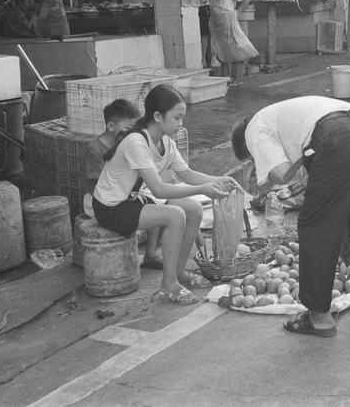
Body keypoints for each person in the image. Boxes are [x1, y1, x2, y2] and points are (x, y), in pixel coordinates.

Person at [232, 97, 350, 337]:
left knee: (316, 225)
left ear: (246, 148)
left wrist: (263, 180)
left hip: (341, 140)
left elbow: (280, 173)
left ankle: (319, 316)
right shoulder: (279, 114)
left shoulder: (254, 129)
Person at [93, 85, 239, 305]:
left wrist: (218, 180)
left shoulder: (167, 144)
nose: (181, 124)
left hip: (132, 199)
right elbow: (159, 189)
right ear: (158, 116)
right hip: (110, 208)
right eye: (177, 118)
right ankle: (169, 284)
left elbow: (188, 174)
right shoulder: (136, 142)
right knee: (175, 215)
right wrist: (202, 190)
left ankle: (179, 273)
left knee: (194, 209)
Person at [83, 99, 163, 270]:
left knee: (156, 204)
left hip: (124, 193)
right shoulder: (95, 150)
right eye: (128, 128)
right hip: (99, 199)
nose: (132, 133)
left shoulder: (131, 142)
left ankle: (151, 254)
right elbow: (100, 187)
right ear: (111, 126)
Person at [208, 0, 258, 87]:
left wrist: (238, 11)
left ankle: (238, 78)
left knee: (236, 50)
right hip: (216, 24)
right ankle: (227, 77)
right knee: (222, 52)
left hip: (229, 23)